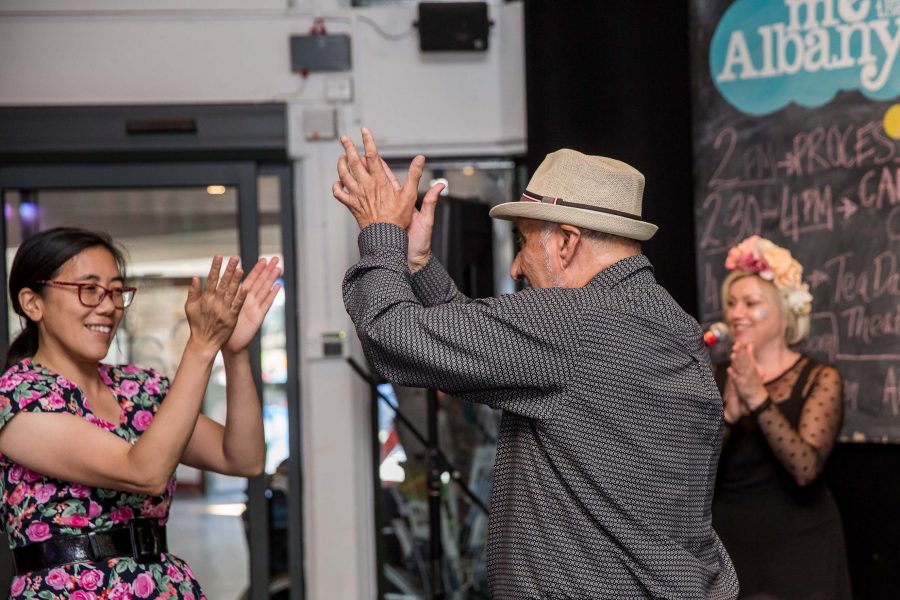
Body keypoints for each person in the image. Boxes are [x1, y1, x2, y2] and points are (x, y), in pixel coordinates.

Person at [333, 129, 739, 598]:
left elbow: (391, 333)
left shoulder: (576, 323)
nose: (515, 268)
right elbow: (494, 356)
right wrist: (420, 265)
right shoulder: (667, 321)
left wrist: (379, 232)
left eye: (524, 243)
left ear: (566, 243)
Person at [0, 227, 281, 599]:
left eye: (116, 292)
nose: (107, 306)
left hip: (162, 588)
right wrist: (201, 345)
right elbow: (143, 472)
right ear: (33, 302)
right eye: (89, 289)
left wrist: (233, 352)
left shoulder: (140, 389)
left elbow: (243, 458)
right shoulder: (17, 396)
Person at [712, 235, 851, 599]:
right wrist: (729, 415)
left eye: (750, 303)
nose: (735, 313)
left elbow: (805, 469)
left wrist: (758, 399)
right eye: (731, 303)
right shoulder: (712, 375)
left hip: (801, 548)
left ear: (783, 310)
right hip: (729, 548)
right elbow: (689, 469)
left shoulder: (820, 378)